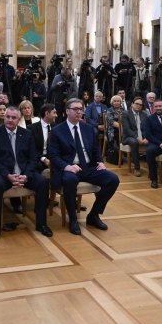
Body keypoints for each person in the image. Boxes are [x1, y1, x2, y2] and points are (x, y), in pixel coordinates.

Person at [48, 98, 119, 235]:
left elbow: (94, 150)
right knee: (69, 180)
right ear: (67, 111)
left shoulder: (88, 129)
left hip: (88, 167)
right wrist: (67, 167)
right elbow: (54, 156)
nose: (79, 112)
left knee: (113, 179)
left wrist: (100, 161)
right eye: (75, 109)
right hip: (70, 168)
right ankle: (73, 219)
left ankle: (93, 215)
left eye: (81, 109)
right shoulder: (57, 131)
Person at [0, 105, 52, 242]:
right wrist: (8, 175)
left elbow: (33, 158)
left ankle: (41, 224)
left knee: (43, 182)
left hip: (24, 174)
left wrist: (26, 175)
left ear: (19, 119)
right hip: (3, 174)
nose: (9, 120)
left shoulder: (27, 133)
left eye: (13, 118)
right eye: (7, 117)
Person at [121, 96, 148, 177]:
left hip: (142, 137)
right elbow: (127, 129)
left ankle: (153, 167)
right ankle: (137, 168)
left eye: (140, 104)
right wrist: (137, 138)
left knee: (153, 142)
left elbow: (147, 128)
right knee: (134, 142)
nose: (138, 106)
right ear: (132, 104)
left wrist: (146, 138)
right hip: (128, 137)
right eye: (137, 104)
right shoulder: (126, 114)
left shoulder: (144, 114)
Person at [30, 103, 57, 173]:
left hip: (53, 158)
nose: (56, 115)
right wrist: (44, 159)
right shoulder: (32, 128)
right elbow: (31, 148)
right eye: (54, 113)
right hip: (38, 158)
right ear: (47, 113)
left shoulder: (56, 127)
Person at [105, 95, 125, 161]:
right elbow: (112, 122)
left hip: (123, 130)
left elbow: (127, 120)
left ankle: (127, 154)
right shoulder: (109, 110)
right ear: (112, 102)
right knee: (116, 134)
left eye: (118, 101)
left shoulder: (123, 110)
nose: (116, 102)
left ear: (120, 102)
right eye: (115, 101)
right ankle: (116, 156)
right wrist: (122, 127)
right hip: (112, 130)